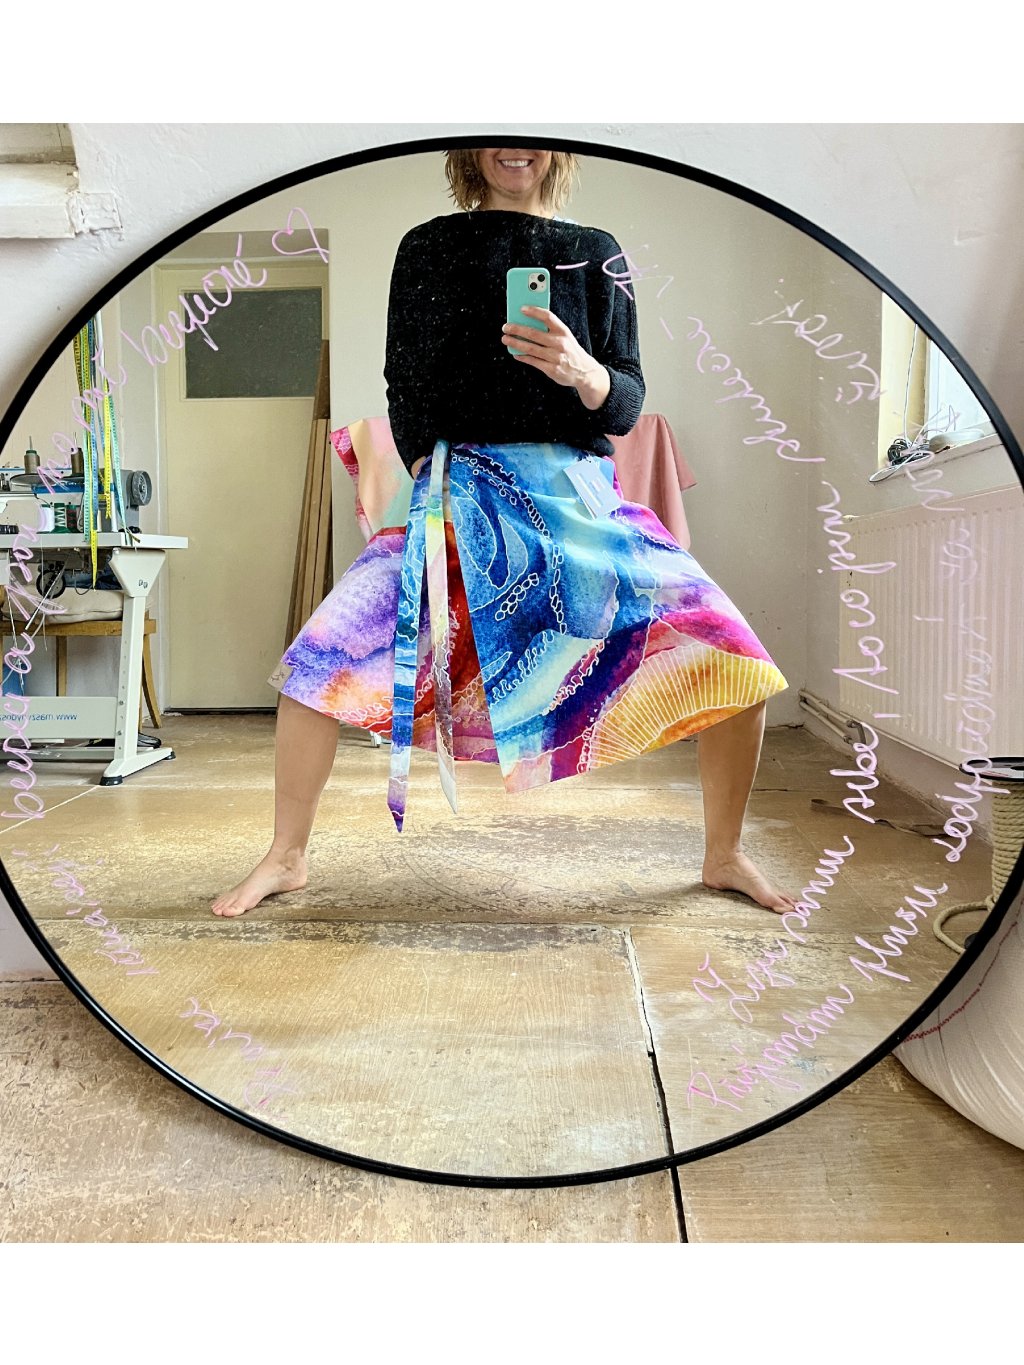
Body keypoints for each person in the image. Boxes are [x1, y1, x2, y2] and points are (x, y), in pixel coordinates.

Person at [213, 148, 797, 918]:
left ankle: (723, 854)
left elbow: (625, 401)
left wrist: (583, 370)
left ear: (558, 146)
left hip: (578, 497)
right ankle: (286, 856)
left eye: (531, 128)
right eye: (495, 127)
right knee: (315, 666)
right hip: (458, 496)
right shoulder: (427, 247)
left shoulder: (598, 252)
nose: (514, 145)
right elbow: (404, 385)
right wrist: (433, 479)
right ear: (468, 146)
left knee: (738, 660)